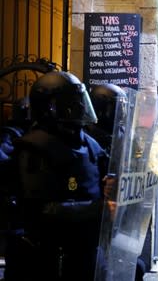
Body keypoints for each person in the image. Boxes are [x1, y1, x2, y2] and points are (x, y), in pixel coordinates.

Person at [4, 71, 108, 281]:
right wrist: (100, 208)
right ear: (49, 107)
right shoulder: (34, 148)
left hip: (85, 248)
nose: (79, 107)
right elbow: (41, 210)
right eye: (71, 102)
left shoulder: (89, 143)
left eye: (80, 100)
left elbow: (103, 177)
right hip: (50, 255)